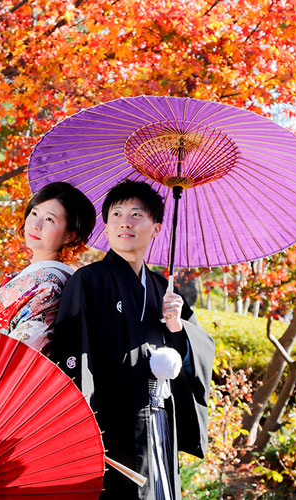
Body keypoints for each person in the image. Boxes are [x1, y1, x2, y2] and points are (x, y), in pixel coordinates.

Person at [50, 180, 215, 500]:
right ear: (107, 226)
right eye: (116, 213)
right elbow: (71, 355)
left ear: (155, 229)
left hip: (158, 421)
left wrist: (177, 327)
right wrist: (82, 432)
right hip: (107, 426)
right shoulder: (88, 281)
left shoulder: (164, 290)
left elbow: (199, 357)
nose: (125, 221)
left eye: (136, 214)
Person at [0, 181, 96, 353]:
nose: (36, 224)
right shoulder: (38, 275)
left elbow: (22, 352)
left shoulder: (51, 285)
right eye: (34, 213)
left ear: (70, 236)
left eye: (49, 219)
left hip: (10, 371)